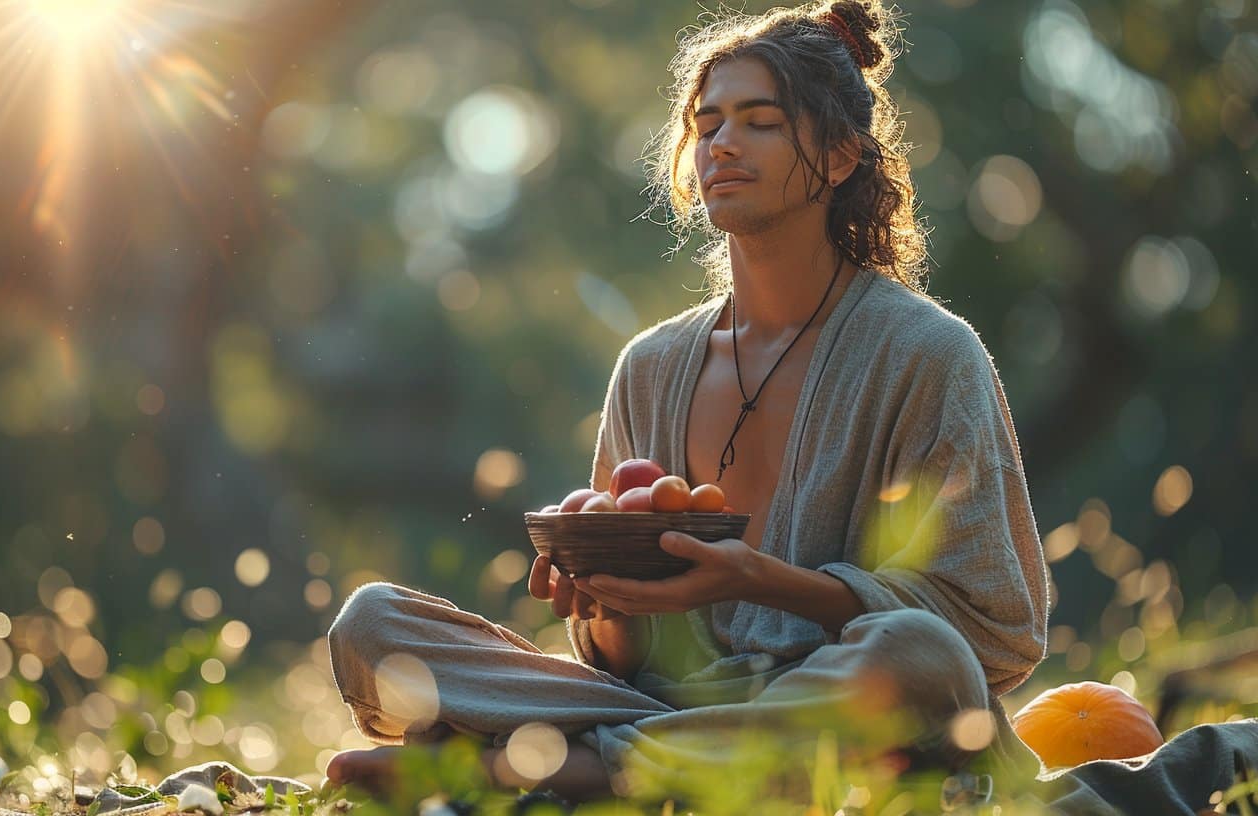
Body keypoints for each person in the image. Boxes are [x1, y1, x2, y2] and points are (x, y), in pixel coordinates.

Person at [322, 0, 1254, 807]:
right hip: (674, 712)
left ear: (842, 156)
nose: (722, 143)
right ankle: (613, 764)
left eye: (760, 121)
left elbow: (993, 633)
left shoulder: (927, 354)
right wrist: (605, 598)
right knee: (374, 624)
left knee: (917, 651)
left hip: (853, 712)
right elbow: (620, 661)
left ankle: (559, 769)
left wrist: (756, 579)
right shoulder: (649, 367)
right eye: (708, 123)